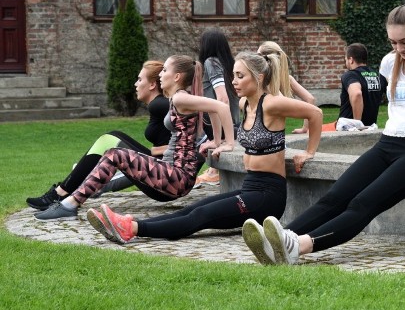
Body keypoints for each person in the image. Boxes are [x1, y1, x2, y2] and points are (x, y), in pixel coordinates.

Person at [241, 2, 405, 265]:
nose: (399, 49)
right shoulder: (389, 63)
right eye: (393, 42)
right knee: (335, 196)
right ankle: (280, 240)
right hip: (387, 145)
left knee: (363, 204)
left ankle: (298, 247)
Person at [88, 51, 323, 244]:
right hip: (250, 186)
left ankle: (131, 229)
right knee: (193, 208)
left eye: (240, 76)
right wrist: (219, 143)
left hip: (268, 196)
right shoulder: (244, 104)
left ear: (259, 78)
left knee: (201, 216)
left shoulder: (272, 104)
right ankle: (127, 223)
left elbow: (315, 112)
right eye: (233, 76)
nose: (234, 82)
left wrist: (309, 151)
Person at [35, 55, 235, 220]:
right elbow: (214, 108)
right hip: (171, 174)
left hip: (176, 177)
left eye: (165, 70)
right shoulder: (179, 98)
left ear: (177, 76)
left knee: (115, 154)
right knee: (114, 151)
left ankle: (69, 203)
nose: (160, 75)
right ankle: (70, 200)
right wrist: (216, 141)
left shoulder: (181, 97)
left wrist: (227, 142)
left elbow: (221, 107)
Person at [26, 61, 172, 210]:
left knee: (108, 140)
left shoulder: (159, 104)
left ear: (153, 85)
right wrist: (164, 149)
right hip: (160, 176)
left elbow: (190, 113)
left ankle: (60, 193)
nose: (135, 84)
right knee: (113, 135)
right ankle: (66, 191)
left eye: (140, 79)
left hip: (162, 184)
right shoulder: (158, 105)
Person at [194, 28, 241, 186]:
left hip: (223, 124)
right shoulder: (228, 64)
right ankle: (213, 171)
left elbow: (222, 99)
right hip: (231, 122)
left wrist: (225, 140)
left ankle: (214, 173)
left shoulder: (211, 62)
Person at [257, 40, 318, 134]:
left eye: (257, 55)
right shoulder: (287, 79)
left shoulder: (261, 81)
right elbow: (310, 99)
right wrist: (305, 128)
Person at [325, 42, 387, 131]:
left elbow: (356, 93)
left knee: (312, 131)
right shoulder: (378, 76)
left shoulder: (351, 75)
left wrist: (356, 124)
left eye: (346, 59)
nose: (346, 62)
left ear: (351, 59)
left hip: (348, 129)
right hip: (370, 127)